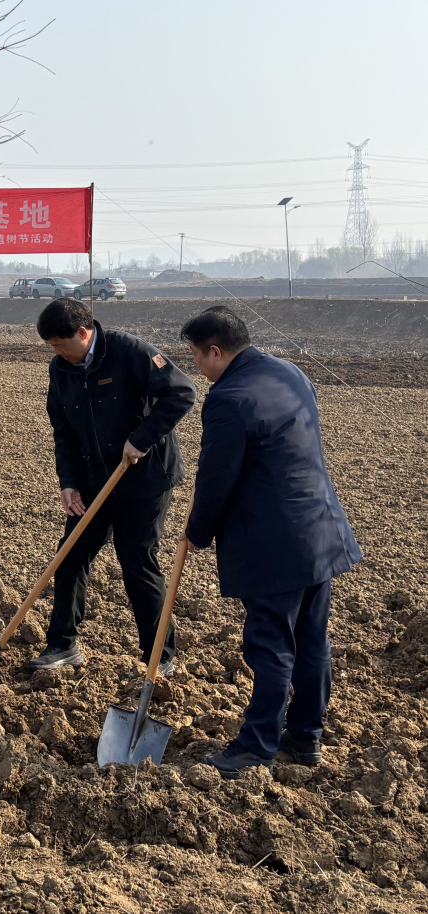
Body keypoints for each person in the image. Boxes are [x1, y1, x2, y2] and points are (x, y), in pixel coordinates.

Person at [180, 306, 361, 777]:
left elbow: (217, 478)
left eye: (197, 356)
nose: (197, 367)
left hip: (272, 542)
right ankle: (305, 738)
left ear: (215, 351)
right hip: (320, 530)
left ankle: (257, 745)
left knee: (271, 644)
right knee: (312, 641)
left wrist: (196, 532)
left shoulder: (228, 399)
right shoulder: (290, 372)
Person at [33, 300, 197, 673]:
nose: (57, 353)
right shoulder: (61, 369)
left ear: (83, 333)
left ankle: (159, 658)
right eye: (52, 347)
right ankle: (62, 645)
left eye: (61, 344)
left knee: (136, 561)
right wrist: (69, 482)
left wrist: (142, 438)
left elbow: (182, 393)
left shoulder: (129, 351)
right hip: (94, 479)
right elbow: (64, 431)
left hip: (146, 477)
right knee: (70, 555)